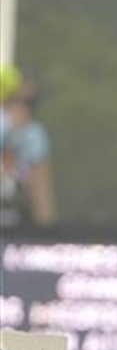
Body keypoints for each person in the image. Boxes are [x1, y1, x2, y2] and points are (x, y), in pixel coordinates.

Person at [0, 65, 55, 229]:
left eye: (30, 104)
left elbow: (42, 193)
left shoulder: (32, 137)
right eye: (16, 101)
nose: (24, 111)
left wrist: (47, 235)